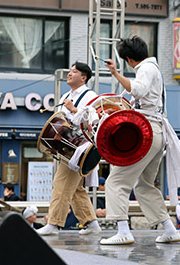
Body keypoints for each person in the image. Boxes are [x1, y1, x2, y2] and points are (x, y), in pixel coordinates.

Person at [101, 36, 180, 245]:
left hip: (146, 132)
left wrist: (116, 74)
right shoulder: (153, 68)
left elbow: (138, 90)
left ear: (129, 58)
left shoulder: (145, 69)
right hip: (156, 133)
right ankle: (169, 229)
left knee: (116, 181)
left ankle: (123, 230)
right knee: (143, 185)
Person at [37, 62, 101, 237]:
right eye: (70, 70)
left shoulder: (91, 96)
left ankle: (54, 223)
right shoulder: (66, 94)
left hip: (80, 149)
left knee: (61, 183)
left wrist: (73, 109)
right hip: (67, 148)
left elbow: (93, 120)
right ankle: (91, 222)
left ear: (84, 77)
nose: (70, 73)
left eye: (75, 71)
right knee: (75, 188)